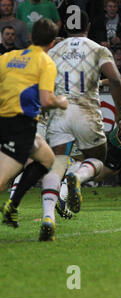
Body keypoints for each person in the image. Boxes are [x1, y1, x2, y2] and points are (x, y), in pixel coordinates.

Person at [41, 10, 121, 230]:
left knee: (57, 163)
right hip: (85, 110)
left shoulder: (54, 50)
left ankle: (48, 217)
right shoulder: (98, 49)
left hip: (59, 112)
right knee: (97, 159)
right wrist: (119, 112)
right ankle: (77, 177)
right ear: (87, 27)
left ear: (65, 28)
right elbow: (116, 80)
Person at [0, 18, 68, 240]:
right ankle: (11, 203)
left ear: (30, 37)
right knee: (1, 181)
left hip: (12, 122)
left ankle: (12, 204)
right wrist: (61, 102)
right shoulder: (45, 62)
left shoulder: (9, 57)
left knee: (48, 159)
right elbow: (46, 100)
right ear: (52, 43)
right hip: (19, 124)